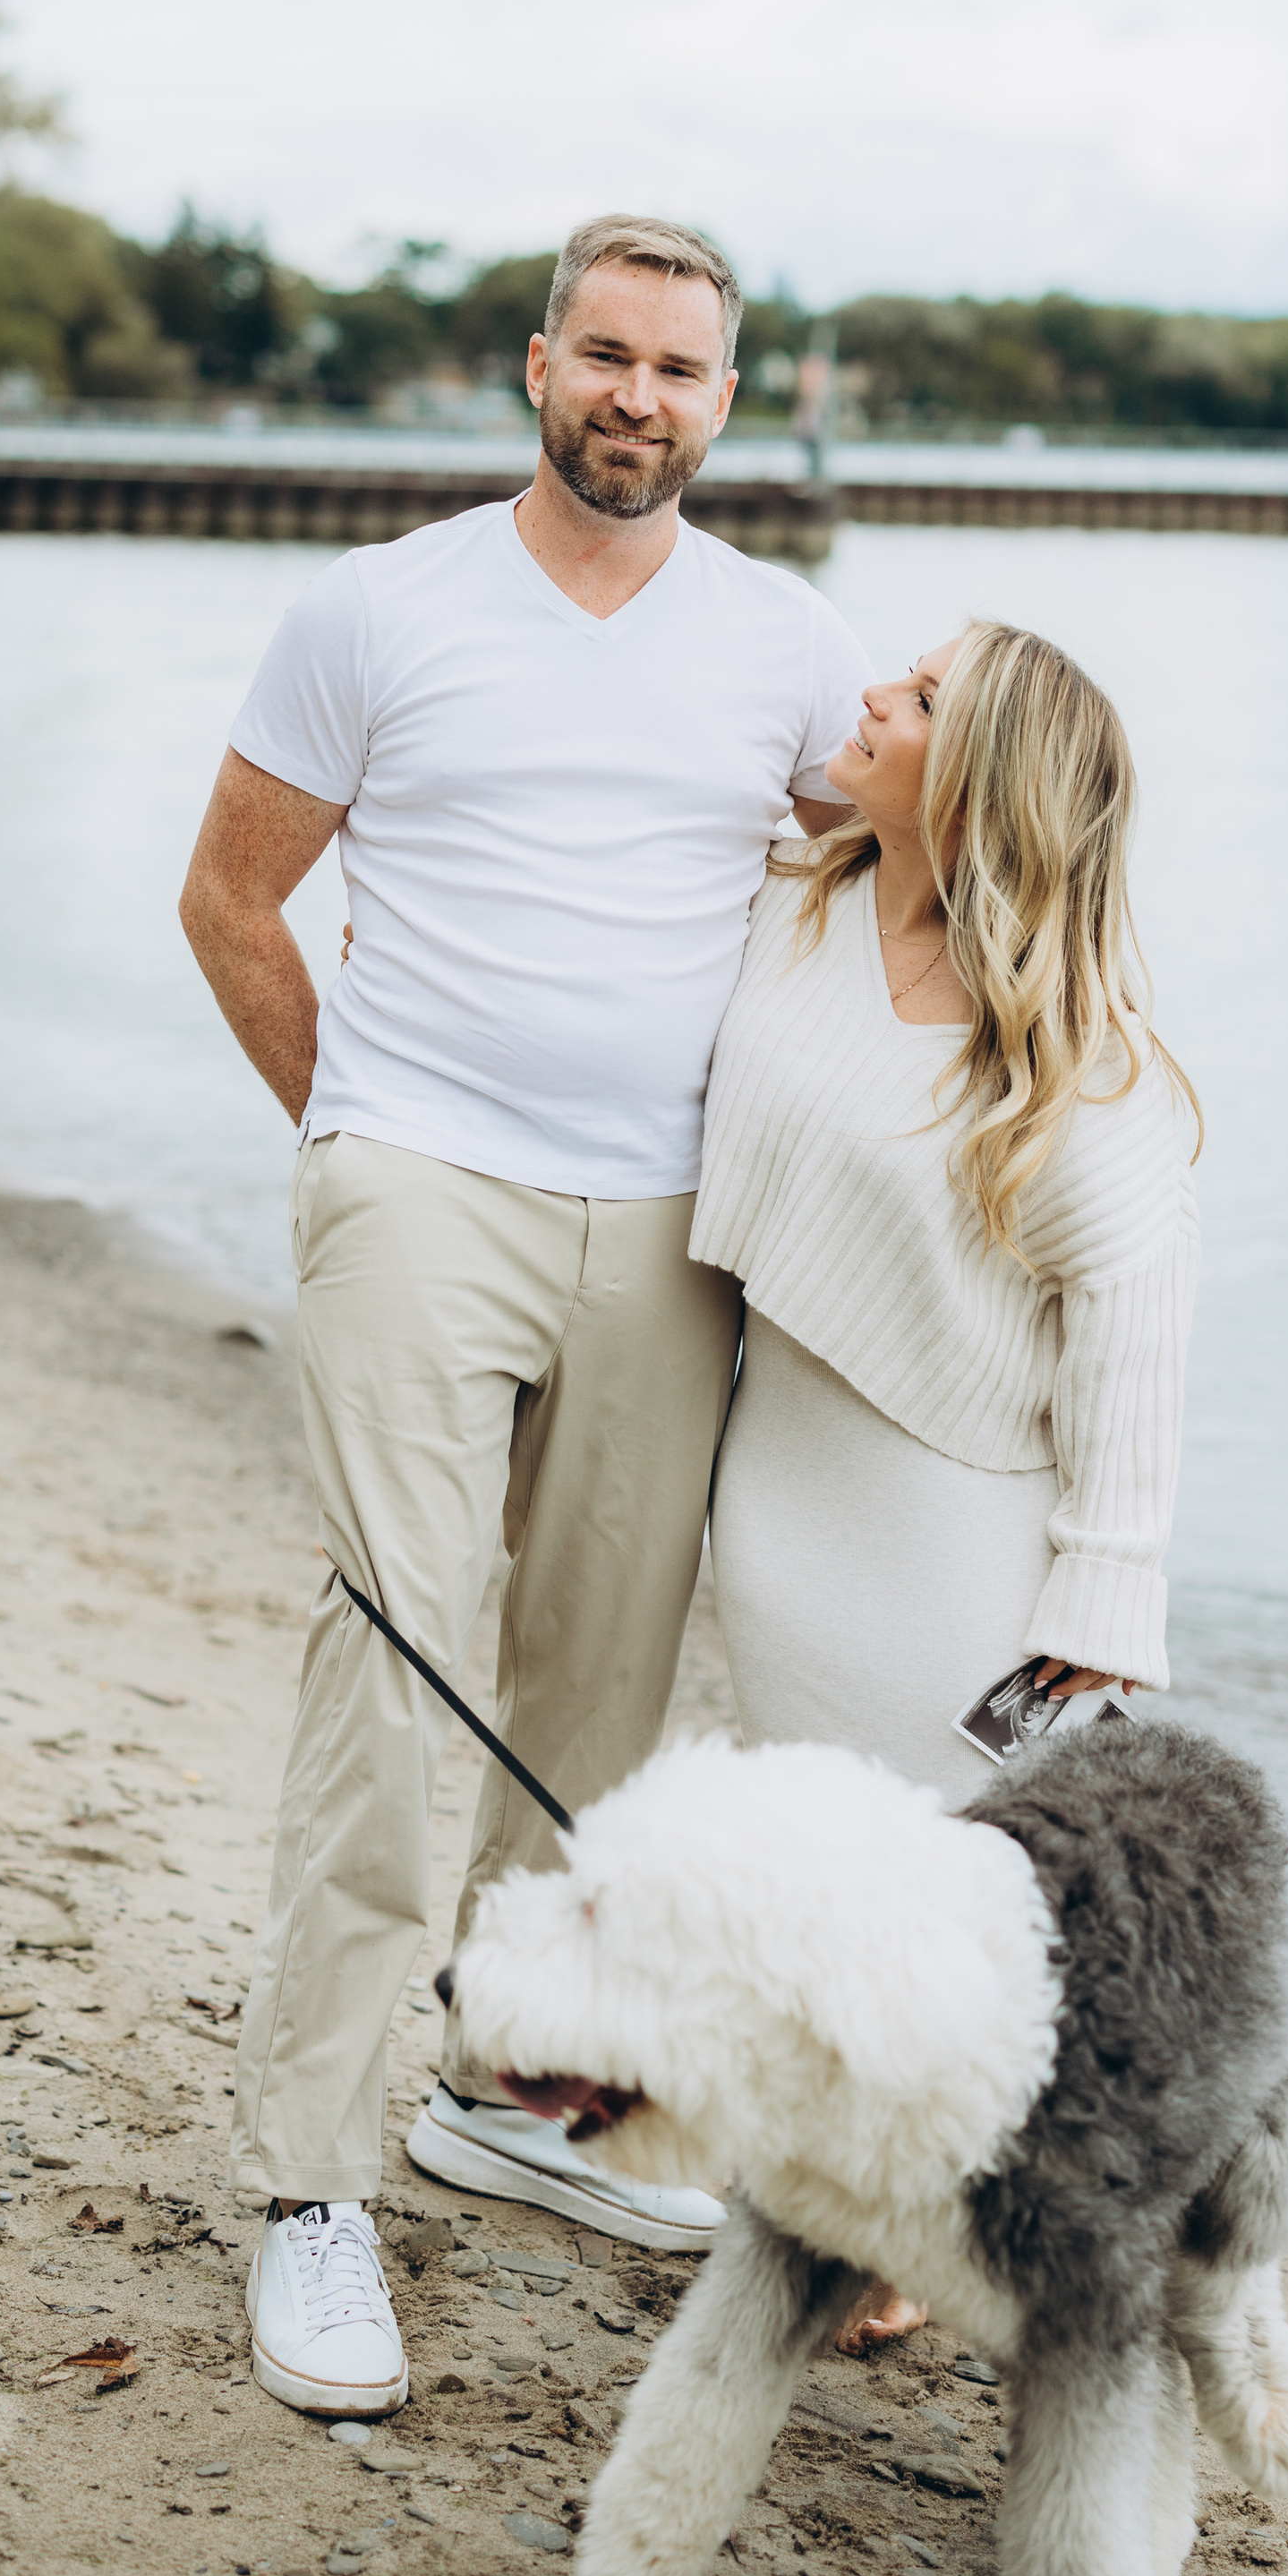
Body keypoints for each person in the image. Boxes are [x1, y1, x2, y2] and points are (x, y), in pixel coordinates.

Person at [178, 214, 869, 2428]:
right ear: (536, 367)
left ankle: (501, 2084)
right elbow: (232, 895)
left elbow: (921, 858)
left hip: (668, 1225)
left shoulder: (779, 648)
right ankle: (307, 2187)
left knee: (590, 1697)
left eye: (680, 368)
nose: (636, 398)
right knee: (402, 1656)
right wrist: (358, 1137)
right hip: (420, 1187)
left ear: (725, 401)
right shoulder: (379, 609)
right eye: (603, 355)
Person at [691, 617, 1200, 2347]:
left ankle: (945, 2218)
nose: (868, 702)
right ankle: (840, 2190)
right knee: (817, 1876)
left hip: (954, 1533)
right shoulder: (803, 901)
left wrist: (1100, 1609)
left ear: (973, 779)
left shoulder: (1073, 1063)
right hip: (780, 1492)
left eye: (911, 702)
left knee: (954, 1901)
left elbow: (1137, 1344)